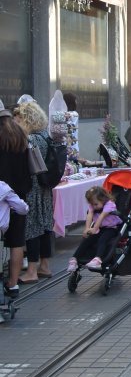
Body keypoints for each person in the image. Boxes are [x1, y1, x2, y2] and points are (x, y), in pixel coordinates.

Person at [15, 102, 55, 283]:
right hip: (45, 187)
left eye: (18, 119)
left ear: (26, 119)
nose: (15, 122)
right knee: (46, 226)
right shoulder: (45, 135)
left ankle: (31, 270)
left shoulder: (31, 139)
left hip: (33, 189)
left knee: (32, 229)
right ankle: (44, 266)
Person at [0, 110, 32, 298]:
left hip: (0, 194)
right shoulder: (20, 134)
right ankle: (13, 284)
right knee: (17, 241)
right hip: (18, 195)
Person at [67, 187, 123, 271]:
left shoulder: (109, 204)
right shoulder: (94, 204)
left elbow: (101, 216)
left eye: (95, 204)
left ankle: (98, 259)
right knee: (87, 239)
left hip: (112, 228)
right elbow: (89, 215)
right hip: (101, 227)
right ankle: (75, 258)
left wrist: (94, 229)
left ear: (103, 199)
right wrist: (87, 229)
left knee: (102, 239)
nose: (94, 206)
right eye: (92, 204)